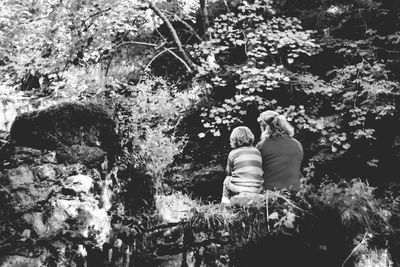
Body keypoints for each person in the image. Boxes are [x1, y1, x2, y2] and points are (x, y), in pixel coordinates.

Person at [256, 110, 303, 192]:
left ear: (264, 127)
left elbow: (256, 171)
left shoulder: (262, 146)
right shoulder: (297, 144)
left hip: (270, 193)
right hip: (294, 191)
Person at [221, 126, 264, 204]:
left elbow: (228, 172)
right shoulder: (257, 152)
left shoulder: (233, 153)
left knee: (227, 180)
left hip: (238, 187)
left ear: (233, 140)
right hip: (257, 188)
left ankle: (225, 204)